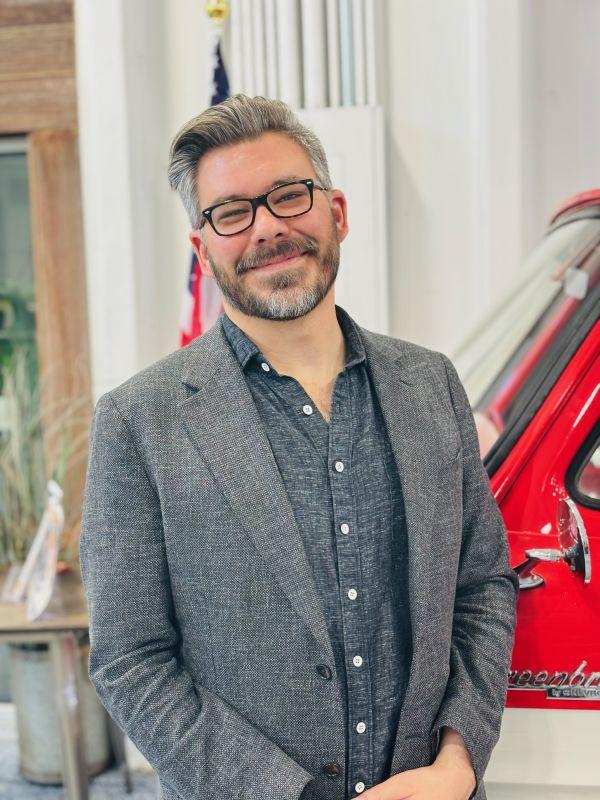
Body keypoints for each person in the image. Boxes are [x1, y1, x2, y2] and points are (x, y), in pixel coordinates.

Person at [79, 94, 518, 800]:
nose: (268, 228)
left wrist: (458, 760)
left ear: (336, 212)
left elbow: (482, 585)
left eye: (289, 196)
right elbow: (131, 660)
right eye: (232, 212)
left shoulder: (430, 383)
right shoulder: (138, 422)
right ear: (202, 249)